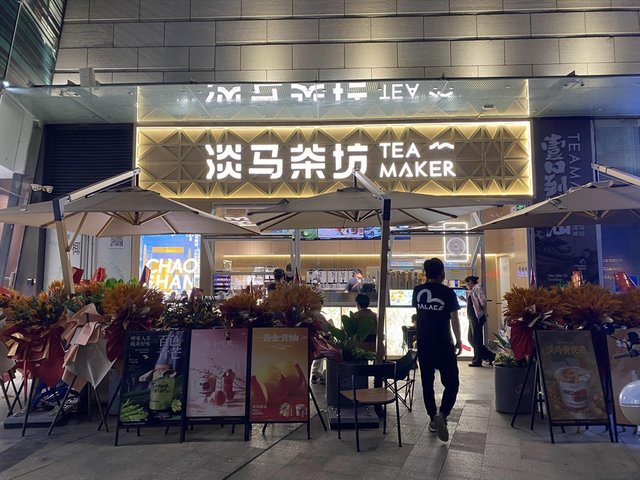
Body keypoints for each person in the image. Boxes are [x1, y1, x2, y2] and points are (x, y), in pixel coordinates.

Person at [412, 258, 462, 442]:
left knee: (427, 383)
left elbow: (419, 315)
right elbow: (454, 319)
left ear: (426, 274)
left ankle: (433, 419)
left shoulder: (418, 291)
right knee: (452, 383)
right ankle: (443, 413)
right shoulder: (448, 292)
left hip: (424, 344)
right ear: (442, 273)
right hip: (443, 344)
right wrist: (459, 340)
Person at [464, 275, 496, 367]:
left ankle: (477, 360)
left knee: (477, 339)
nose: (467, 286)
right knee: (471, 338)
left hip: (476, 318)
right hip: (472, 318)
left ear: (470, 282)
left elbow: (483, 301)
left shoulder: (477, 288)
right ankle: (489, 355)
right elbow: (474, 303)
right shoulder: (473, 290)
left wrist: (481, 309)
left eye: (467, 284)